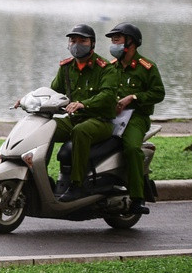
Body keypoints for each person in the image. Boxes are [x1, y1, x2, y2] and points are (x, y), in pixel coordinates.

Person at [50, 24, 117, 201]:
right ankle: (38, 176)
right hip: (73, 119)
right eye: (73, 40)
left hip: (100, 121)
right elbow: (54, 91)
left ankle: (77, 185)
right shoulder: (66, 67)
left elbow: (108, 96)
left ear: (92, 44)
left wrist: (83, 104)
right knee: (46, 127)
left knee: (81, 132)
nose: (77, 44)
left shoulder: (105, 68)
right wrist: (30, 98)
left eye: (82, 40)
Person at [105, 22, 165, 215]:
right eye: (112, 40)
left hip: (136, 118)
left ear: (131, 43)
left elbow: (158, 93)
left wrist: (134, 97)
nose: (113, 44)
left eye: (117, 40)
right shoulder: (110, 67)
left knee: (131, 148)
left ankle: (137, 198)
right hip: (111, 117)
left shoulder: (146, 67)